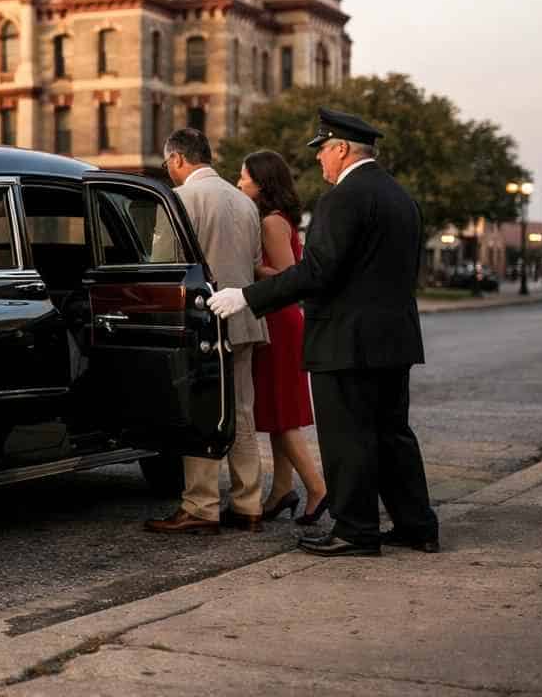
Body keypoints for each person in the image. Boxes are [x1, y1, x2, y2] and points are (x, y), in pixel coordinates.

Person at [209, 108, 439, 557]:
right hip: (394, 338)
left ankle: (355, 530)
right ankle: (417, 526)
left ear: (342, 149)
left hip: (346, 340)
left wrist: (248, 296)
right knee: (393, 435)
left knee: (347, 438)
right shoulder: (400, 197)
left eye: (323, 150)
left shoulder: (343, 198)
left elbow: (316, 272)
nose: (319, 159)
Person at [145, 128, 268, 536]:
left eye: (168, 163)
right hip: (245, 318)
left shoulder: (179, 199)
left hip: (201, 322)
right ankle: (249, 504)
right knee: (242, 411)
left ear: (178, 159)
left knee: (201, 410)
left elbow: (163, 265)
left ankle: (201, 505)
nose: (169, 170)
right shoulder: (244, 202)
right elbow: (253, 262)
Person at [237, 150, 328, 524]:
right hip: (279, 319)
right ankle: (281, 490)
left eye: (243, 177)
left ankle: (318, 489)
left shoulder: (272, 222)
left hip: (279, 321)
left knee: (283, 416)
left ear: (262, 183)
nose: (239, 183)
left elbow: (289, 277)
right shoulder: (278, 219)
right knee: (278, 412)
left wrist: (252, 268)